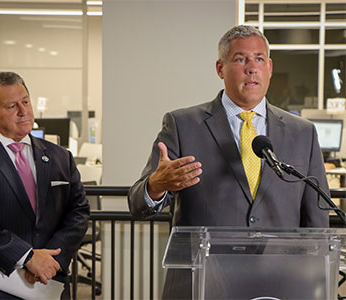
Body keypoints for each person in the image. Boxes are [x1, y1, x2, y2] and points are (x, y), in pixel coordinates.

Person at [127, 25, 329, 298]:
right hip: (204, 283)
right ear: (220, 68)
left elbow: (316, 221)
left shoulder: (302, 132)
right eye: (240, 59)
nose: (251, 68)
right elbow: (138, 205)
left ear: (269, 67)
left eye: (259, 59)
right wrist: (155, 186)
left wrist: (314, 280)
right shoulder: (182, 125)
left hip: (280, 285)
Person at [0, 72, 90, 299]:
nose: (24, 111)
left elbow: (78, 211)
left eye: (25, 101)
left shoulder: (60, 157)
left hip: (49, 283)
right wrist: (28, 257)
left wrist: (51, 261)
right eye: (12, 106)